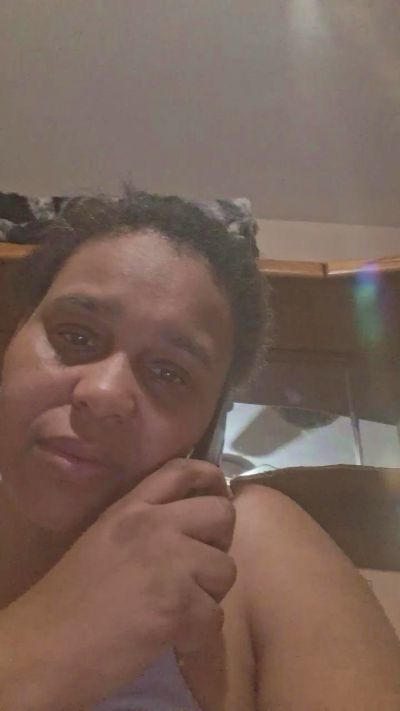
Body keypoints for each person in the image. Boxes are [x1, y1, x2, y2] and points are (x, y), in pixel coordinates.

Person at [0, 190, 399, 711]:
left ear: (208, 424)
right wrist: (48, 640)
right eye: (76, 336)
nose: (104, 393)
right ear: (13, 340)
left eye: (169, 373)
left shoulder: (252, 546)